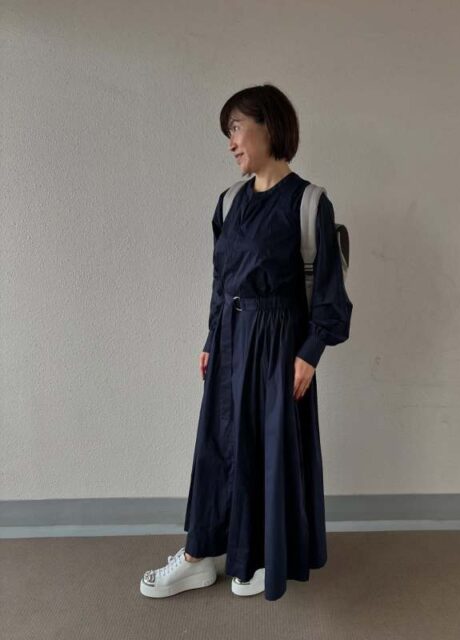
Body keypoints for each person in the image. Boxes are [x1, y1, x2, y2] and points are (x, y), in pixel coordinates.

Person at [140, 83, 353, 602]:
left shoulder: (309, 203)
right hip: (231, 340)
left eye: (236, 128)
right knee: (217, 445)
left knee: (267, 449)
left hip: (279, 343)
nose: (231, 142)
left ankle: (255, 557)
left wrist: (310, 354)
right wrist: (211, 336)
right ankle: (199, 556)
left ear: (269, 126)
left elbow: (329, 291)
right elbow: (222, 279)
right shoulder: (229, 201)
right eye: (228, 132)